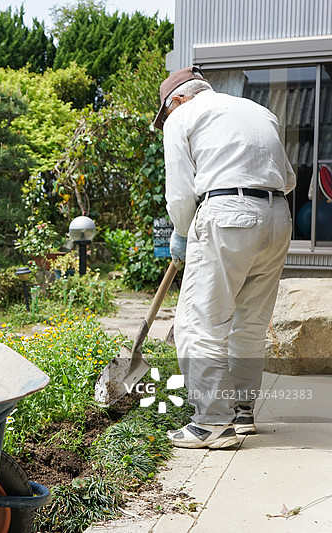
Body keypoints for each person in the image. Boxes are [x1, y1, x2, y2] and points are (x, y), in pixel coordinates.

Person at [153, 66, 295, 449]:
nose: (168, 117)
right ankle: (243, 412)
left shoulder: (181, 116)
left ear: (177, 100)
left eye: (166, 111)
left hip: (227, 214)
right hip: (278, 217)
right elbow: (288, 178)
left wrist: (182, 232)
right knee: (250, 322)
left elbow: (180, 193)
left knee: (199, 323)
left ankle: (212, 422)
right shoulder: (259, 111)